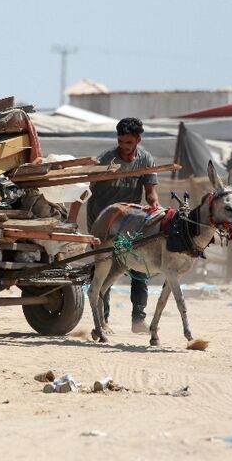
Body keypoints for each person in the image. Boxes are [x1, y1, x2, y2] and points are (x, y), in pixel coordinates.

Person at [86, 117, 160, 334]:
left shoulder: (145, 159)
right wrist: (72, 221)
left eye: (128, 143)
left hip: (130, 221)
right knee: (105, 267)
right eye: (120, 142)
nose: (124, 147)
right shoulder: (106, 160)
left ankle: (139, 319)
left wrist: (155, 208)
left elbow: (150, 194)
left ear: (138, 139)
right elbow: (85, 189)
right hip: (103, 221)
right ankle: (103, 320)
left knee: (138, 265)